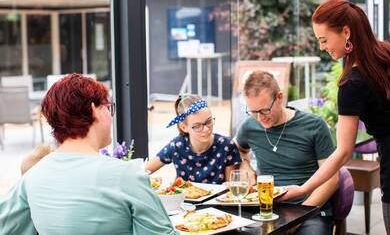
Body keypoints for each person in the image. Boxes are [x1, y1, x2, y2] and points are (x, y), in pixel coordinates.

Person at [279, 0, 390, 235]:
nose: (322, 47)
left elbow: (343, 151)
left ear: (346, 32)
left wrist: (303, 188)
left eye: (324, 40)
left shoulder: (352, 84)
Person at [0, 74, 177, 235]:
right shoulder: (128, 176)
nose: (110, 115)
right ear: (94, 109)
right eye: (108, 107)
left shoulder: (32, 177)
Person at [235, 70, 339, 235]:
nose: (260, 118)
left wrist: (298, 217)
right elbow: (238, 150)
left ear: (280, 97)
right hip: (266, 209)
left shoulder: (314, 125)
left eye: (264, 110)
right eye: (253, 112)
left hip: (310, 209)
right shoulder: (249, 126)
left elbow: (332, 179)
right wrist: (245, 164)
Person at [145, 95, 241, 184]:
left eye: (209, 121)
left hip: (217, 202)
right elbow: (142, 172)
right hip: (183, 201)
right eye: (197, 126)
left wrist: (230, 186)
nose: (206, 129)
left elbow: (231, 191)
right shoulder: (177, 145)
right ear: (184, 127)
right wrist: (152, 180)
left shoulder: (227, 146)